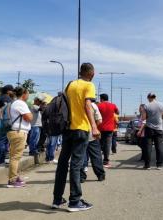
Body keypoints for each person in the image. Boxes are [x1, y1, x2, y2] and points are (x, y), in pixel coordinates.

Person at [52, 63, 99, 212]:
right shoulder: (89, 85)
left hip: (67, 129)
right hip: (81, 129)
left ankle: (57, 199)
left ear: (80, 72)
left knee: (62, 164)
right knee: (76, 165)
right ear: (92, 73)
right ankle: (75, 201)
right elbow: (87, 105)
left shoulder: (70, 85)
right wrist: (94, 126)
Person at [6, 87, 33, 188]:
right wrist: (30, 114)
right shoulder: (20, 103)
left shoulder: (15, 103)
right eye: (28, 93)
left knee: (14, 156)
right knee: (15, 157)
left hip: (15, 131)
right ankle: (12, 180)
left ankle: (15, 177)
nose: (28, 95)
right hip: (19, 132)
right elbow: (29, 117)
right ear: (24, 94)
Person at [137, 93, 163, 170]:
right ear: (155, 97)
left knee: (148, 147)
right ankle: (159, 165)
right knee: (159, 147)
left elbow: (143, 118)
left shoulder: (146, 106)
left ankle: (147, 165)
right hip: (159, 129)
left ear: (148, 98)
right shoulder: (162, 105)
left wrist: (149, 116)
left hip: (149, 128)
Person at [80, 102, 105, 183]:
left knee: (81, 156)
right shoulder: (93, 105)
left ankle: (81, 176)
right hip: (92, 134)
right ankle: (100, 175)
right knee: (96, 156)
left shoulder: (75, 103)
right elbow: (100, 120)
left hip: (79, 134)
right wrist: (93, 127)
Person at [0, 85, 14, 166]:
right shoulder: (7, 98)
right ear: (8, 91)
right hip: (2, 123)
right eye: (12, 90)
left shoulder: (0, 97)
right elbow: (6, 112)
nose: (13, 92)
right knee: (2, 141)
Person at [97, 93, 119, 168]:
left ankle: (97, 160)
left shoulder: (99, 105)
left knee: (98, 144)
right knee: (107, 144)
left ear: (102, 99)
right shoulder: (113, 105)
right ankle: (106, 161)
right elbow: (117, 112)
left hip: (100, 128)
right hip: (110, 128)